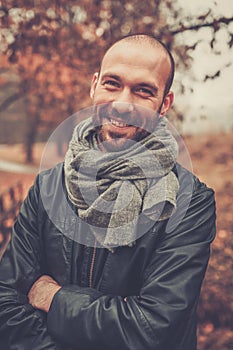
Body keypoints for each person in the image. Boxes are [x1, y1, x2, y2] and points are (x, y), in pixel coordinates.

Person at [0, 34, 216, 350]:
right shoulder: (48, 188)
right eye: (112, 84)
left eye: (143, 91)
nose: (122, 103)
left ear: (164, 104)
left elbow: (151, 329)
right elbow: (6, 302)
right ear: (94, 85)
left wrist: (55, 298)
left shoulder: (190, 201)